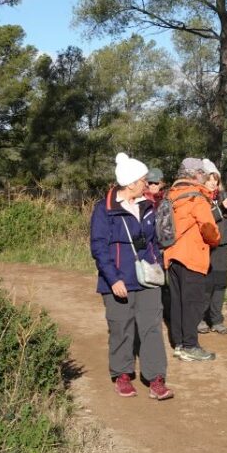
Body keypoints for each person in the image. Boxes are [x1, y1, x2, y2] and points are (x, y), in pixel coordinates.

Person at [89, 153, 173, 400]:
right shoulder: (104, 209)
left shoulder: (147, 206)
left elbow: (153, 242)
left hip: (148, 279)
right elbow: (99, 248)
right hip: (118, 280)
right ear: (131, 182)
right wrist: (113, 279)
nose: (147, 184)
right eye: (144, 180)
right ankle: (122, 375)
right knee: (121, 328)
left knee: (152, 328)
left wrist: (156, 264)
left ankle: (156, 379)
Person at [163, 157, 221, 361]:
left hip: (172, 256)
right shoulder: (197, 198)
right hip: (192, 256)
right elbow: (209, 229)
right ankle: (190, 345)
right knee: (193, 304)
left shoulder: (171, 195)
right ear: (195, 174)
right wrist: (215, 239)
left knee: (177, 302)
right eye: (202, 172)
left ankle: (179, 344)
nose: (204, 176)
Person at [198, 159, 227, 335]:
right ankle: (199, 318)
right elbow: (204, 220)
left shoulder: (222, 196)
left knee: (220, 283)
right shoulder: (199, 197)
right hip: (206, 246)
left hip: (222, 245)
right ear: (203, 180)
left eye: (216, 179)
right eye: (210, 179)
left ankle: (216, 320)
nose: (213, 183)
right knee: (206, 284)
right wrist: (220, 209)